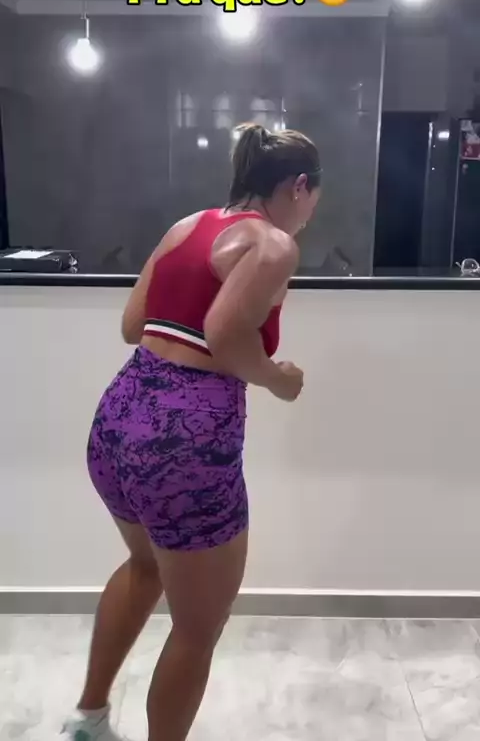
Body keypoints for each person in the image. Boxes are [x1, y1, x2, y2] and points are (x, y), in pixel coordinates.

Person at [62, 123, 321, 741]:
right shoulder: (273, 245)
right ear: (299, 186)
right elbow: (224, 336)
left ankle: (88, 719)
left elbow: (133, 325)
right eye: (314, 197)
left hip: (120, 417)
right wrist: (279, 379)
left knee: (144, 565)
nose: (311, 211)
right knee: (198, 628)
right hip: (186, 443)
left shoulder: (187, 227)